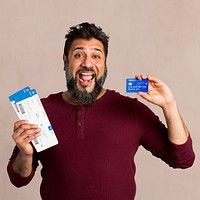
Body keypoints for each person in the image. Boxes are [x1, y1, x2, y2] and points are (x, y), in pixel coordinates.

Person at [7, 22, 195, 200]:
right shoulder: (41, 111)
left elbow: (182, 159)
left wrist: (169, 106)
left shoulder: (131, 110)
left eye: (96, 56)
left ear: (104, 63)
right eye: (79, 55)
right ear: (65, 61)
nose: (87, 64)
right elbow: (18, 179)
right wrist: (25, 153)